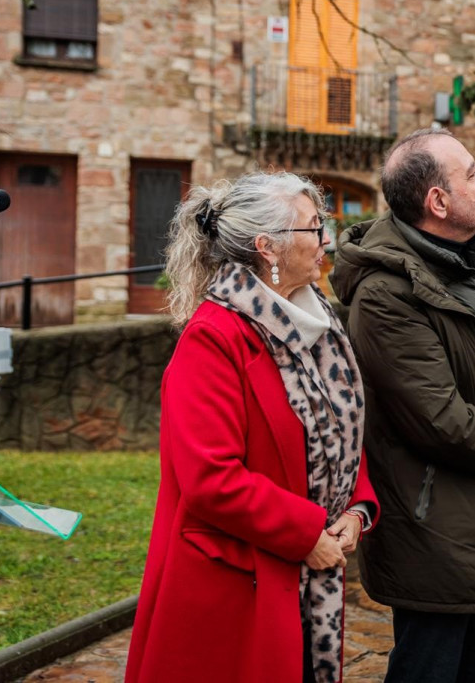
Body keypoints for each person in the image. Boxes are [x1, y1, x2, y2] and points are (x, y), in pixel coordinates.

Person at [126, 172, 379, 683]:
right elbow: (210, 479)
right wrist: (306, 533)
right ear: (268, 247)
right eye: (313, 228)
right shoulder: (213, 338)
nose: (325, 240)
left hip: (308, 578)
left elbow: (339, 432)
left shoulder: (318, 324)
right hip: (234, 584)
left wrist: (356, 508)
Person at [330, 127, 475, 683]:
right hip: (432, 521)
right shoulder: (384, 294)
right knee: (431, 669)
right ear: (438, 202)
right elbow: (438, 416)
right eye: (473, 172)